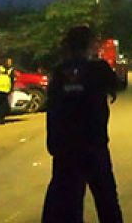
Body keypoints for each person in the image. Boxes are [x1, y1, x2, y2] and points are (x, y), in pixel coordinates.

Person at [41, 25, 123, 223]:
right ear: (89, 44)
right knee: (106, 199)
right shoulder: (99, 68)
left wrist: (53, 143)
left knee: (68, 201)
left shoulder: (59, 72)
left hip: (65, 147)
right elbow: (118, 85)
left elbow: (52, 108)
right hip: (94, 143)